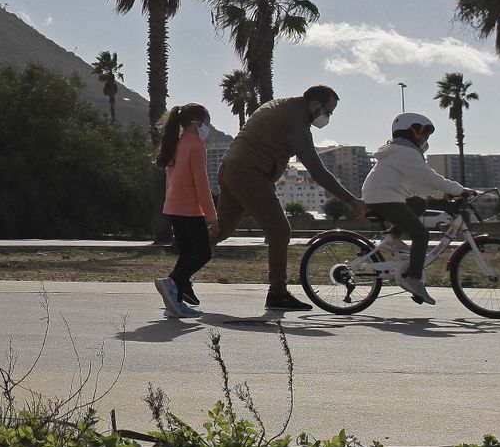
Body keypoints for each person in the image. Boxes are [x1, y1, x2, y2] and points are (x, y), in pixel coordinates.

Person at [216, 84, 370, 310]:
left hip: (233, 170)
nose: (328, 117)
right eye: (329, 111)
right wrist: (352, 200)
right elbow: (317, 171)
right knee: (280, 230)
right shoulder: (296, 120)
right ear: (316, 105)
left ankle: (177, 278)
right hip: (250, 174)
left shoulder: (285, 106)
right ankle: (277, 293)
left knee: (219, 231)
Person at [360, 112, 476, 305]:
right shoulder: (406, 152)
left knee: (419, 202)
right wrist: (458, 189)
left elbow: (418, 185)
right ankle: (413, 279)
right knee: (421, 234)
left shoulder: (399, 152)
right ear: (411, 130)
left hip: (385, 195)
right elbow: (427, 176)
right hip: (385, 197)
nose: (425, 138)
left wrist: (445, 194)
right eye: (424, 133)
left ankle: (392, 238)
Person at [153, 103, 219, 318]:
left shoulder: (177, 144)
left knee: (188, 253)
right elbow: (201, 184)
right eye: (206, 124)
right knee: (203, 253)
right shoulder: (196, 145)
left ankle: (176, 303)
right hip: (189, 208)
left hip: (173, 206)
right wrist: (212, 217)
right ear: (196, 122)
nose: (206, 129)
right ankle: (171, 281)